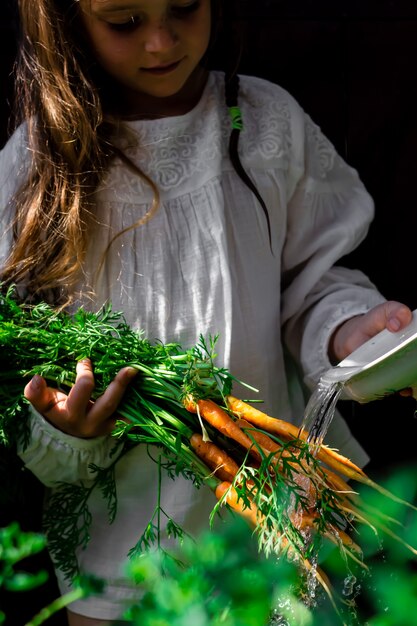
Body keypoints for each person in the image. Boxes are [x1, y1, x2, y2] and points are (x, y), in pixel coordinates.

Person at [0, 0, 413, 624]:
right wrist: (65, 423)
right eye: (124, 22)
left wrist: (346, 330)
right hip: (128, 547)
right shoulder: (43, 161)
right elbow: (16, 357)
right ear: (65, 19)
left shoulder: (265, 124)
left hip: (284, 515)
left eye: (184, 9)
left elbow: (312, 282)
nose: (162, 41)